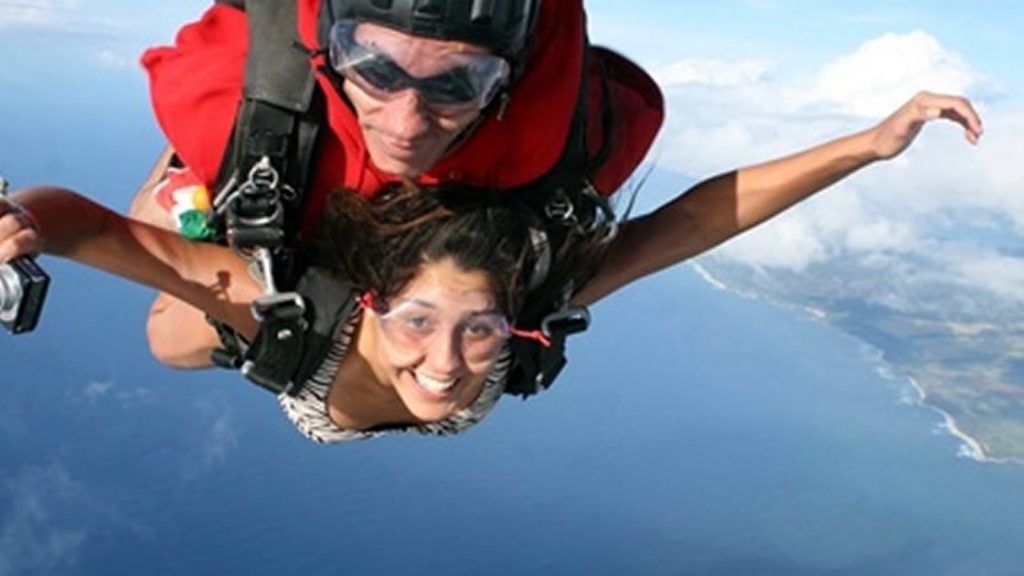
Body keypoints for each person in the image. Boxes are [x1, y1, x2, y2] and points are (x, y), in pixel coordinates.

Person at [0, 90, 982, 441]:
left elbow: (694, 223)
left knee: (185, 334)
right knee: (171, 337)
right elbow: (90, 228)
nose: (449, 361)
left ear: (507, 313)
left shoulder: (526, 305)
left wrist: (869, 141)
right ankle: (196, 177)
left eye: (478, 329)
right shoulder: (288, 311)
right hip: (272, 312)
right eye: (425, 323)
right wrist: (21, 223)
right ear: (374, 304)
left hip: (306, 339)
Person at [131, 0, 664, 369]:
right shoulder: (228, 110)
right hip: (275, 146)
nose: (406, 126)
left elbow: (688, 224)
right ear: (327, 51)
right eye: (373, 68)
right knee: (172, 331)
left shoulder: (571, 141)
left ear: (508, 81)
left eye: (457, 82)